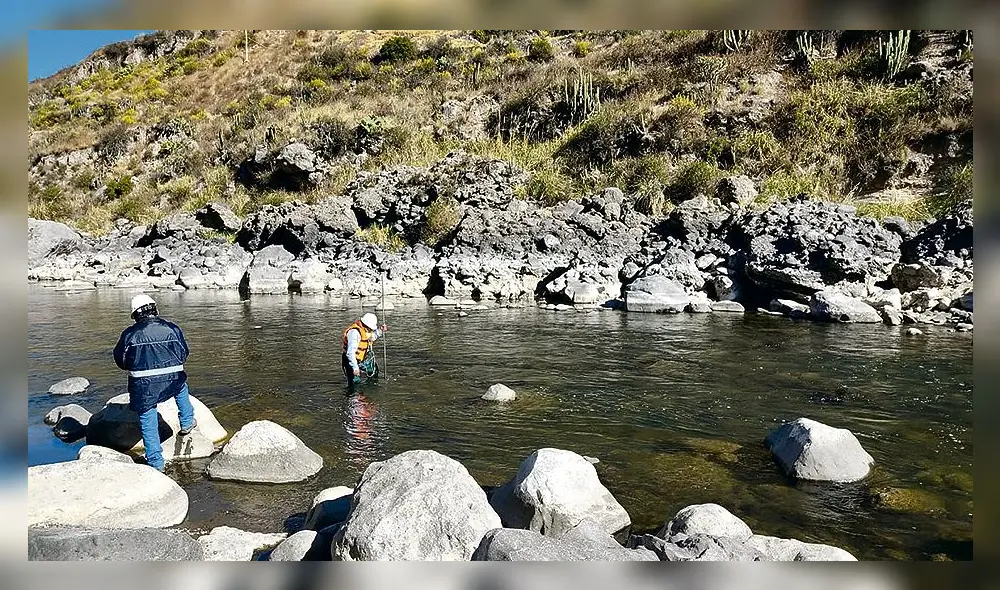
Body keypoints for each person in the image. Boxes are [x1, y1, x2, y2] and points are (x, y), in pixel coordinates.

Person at [113, 294, 197, 471]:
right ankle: (187, 421)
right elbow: (184, 353)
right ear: (155, 309)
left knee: (148, 419)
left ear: (136, 314)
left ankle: (156, 463)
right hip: (173, 379)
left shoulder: (129, 334)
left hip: (144, 385)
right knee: (181, 387)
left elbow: (121, 361)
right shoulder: (172, 328)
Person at [342, 312, 387, 388]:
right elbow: (350, 353)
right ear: (365, 325)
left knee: (374, 371)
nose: (371, 330)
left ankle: (371, 389)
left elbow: (372, 337)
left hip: (362, 358)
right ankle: (353, 397)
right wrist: (355, 368)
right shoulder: (354, 333)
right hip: (351, 360)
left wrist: (380, 331)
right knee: (354, 383)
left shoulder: (366, 330)